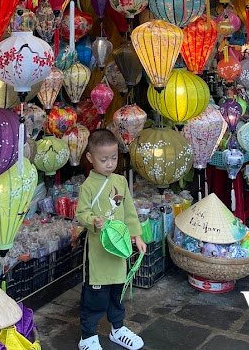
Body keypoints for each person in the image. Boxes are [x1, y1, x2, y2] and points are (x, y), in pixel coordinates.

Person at [76, 129, 147, 350]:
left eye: (114, 158)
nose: (109, 164)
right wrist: (91, 221)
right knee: (94, 296)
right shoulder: (88, 186)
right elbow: (81, 213)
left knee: (118, 290)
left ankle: (117, 328)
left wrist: (136, 235)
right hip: (97, 250)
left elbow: (128, 212)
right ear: (90, 158)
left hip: (119, 249)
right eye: (103, 159)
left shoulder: (120, 181)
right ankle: (88, 336)